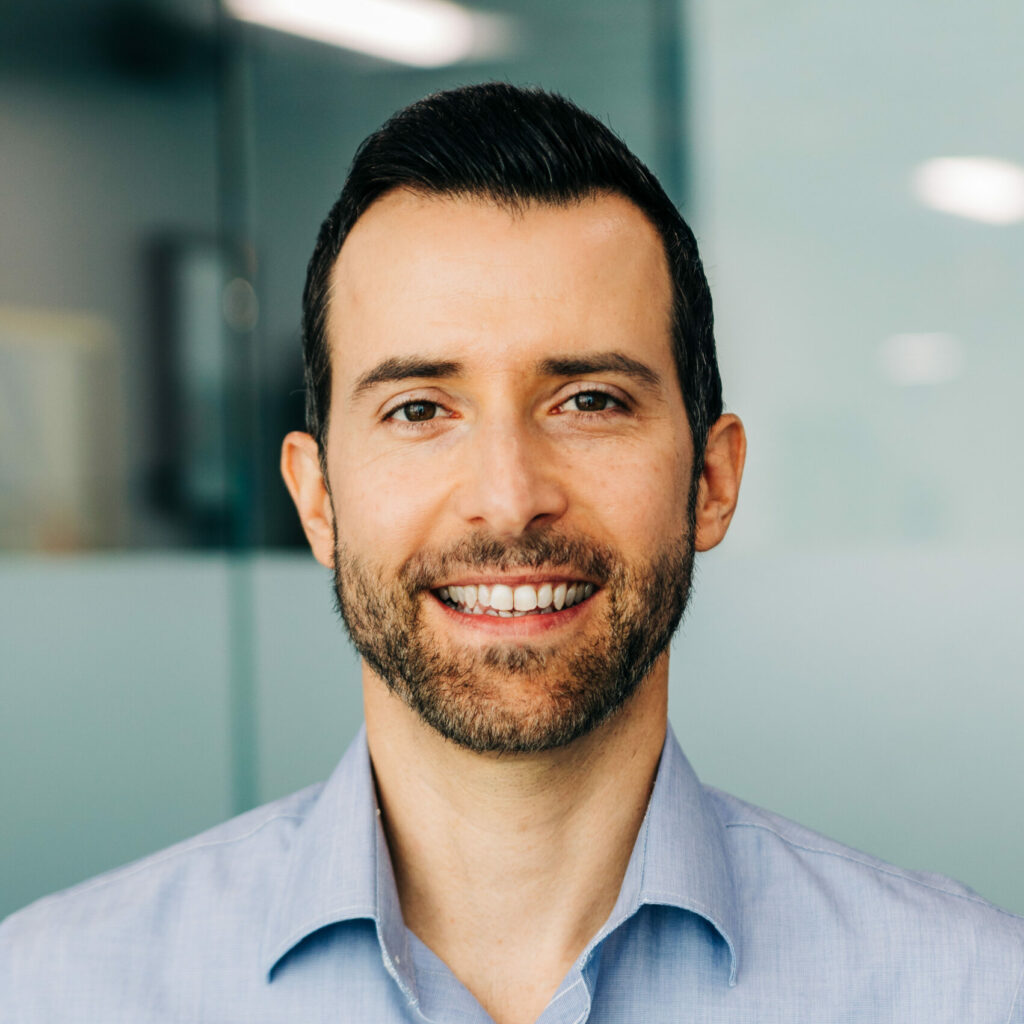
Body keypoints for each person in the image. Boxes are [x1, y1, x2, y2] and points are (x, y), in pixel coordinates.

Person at [1, 82, 1022, 1024]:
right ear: (316, 499)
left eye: (588, 401)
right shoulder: (61, 989)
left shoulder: (964, 990)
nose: (508, 495)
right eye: (418, 407)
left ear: (710, 481)